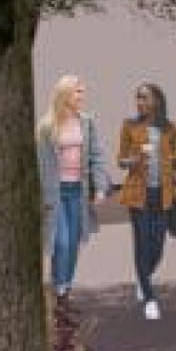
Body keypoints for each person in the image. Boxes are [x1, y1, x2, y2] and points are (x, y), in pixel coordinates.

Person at [36, 75, 114, 301]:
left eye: (82, 91)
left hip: (77, 192)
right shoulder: (46, 126)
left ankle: (64, 288)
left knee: (73, 243)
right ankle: (58, 288)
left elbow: (96, 156)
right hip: (56, 192)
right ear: (65, 95)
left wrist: (99, 187)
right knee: (60, 242)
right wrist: (42, 197)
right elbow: (41, 164)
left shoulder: (87, 122)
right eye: (78, 91)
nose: (82, 96)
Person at [118, 83, 176, 320]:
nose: (139, 102)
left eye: (144, 98)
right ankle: (149, 297)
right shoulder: (129, 126)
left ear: (156, 100)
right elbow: (121, 161)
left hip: (163, 194)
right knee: (142, 244)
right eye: (137, 98)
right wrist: (135, 159)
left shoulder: (170, 128)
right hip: (138, 195)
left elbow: (174, 160)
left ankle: (142, 276)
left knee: (157, 247)